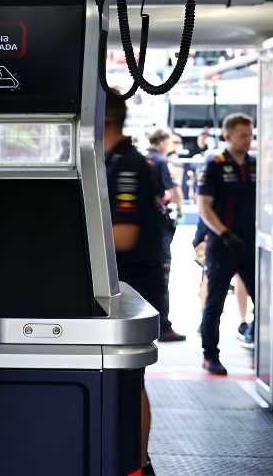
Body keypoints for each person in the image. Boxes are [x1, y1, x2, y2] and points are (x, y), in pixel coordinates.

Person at [103, 93, 164, 474]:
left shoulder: (127, 164)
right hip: (118, 285)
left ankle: (138, 464)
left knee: (130, 381)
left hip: (133, 287)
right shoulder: (106, 161)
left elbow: (123, 237)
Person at [197, 113, 257, 375]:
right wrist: (224, 234)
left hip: (251, 243)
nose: (248, 140)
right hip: (223, 244)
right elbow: (203, 207)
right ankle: (210, 354)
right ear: (228, 135)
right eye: (243, 135)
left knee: (265, 300)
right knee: (215, 303)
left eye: (250, 134)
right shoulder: (215, 164)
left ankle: (259, 342)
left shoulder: (255, 165)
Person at [146, 128, 185, 343]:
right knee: (162, 274)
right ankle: (164, 326)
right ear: (162, 142)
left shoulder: (143, 158)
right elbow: (172, 189)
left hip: (145, 227)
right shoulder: (160, 161)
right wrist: (179, 210)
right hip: (160, 225)